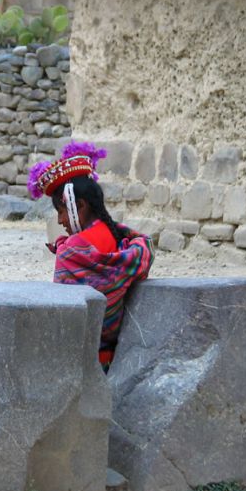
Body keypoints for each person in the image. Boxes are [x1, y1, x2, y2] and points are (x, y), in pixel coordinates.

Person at [27, 141, 154, 369]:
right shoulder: (117, 237)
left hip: (83, 361)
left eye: (61, 210)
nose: (60, 220)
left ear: (81, 206)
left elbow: (65, 316)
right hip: (113, 358)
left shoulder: (73, 251)